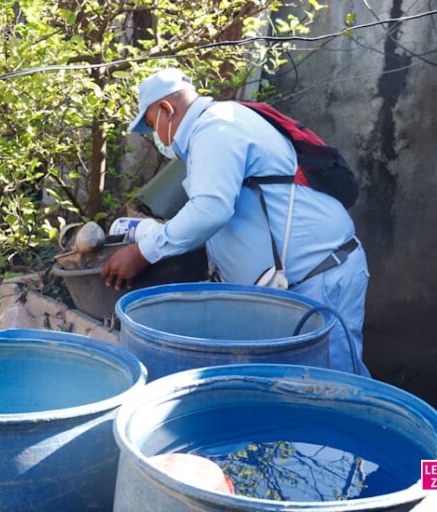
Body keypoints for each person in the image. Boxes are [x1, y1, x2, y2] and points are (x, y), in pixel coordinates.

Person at [101, 68, 370, 376]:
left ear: (166, 110)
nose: (158, 139)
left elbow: (210, 210)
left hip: (320, 276)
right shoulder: (217, 126)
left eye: (152, 125)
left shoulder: (216, 128)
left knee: (335, 383)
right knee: (302, 384)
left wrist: (142, 253)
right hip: (298, 284)